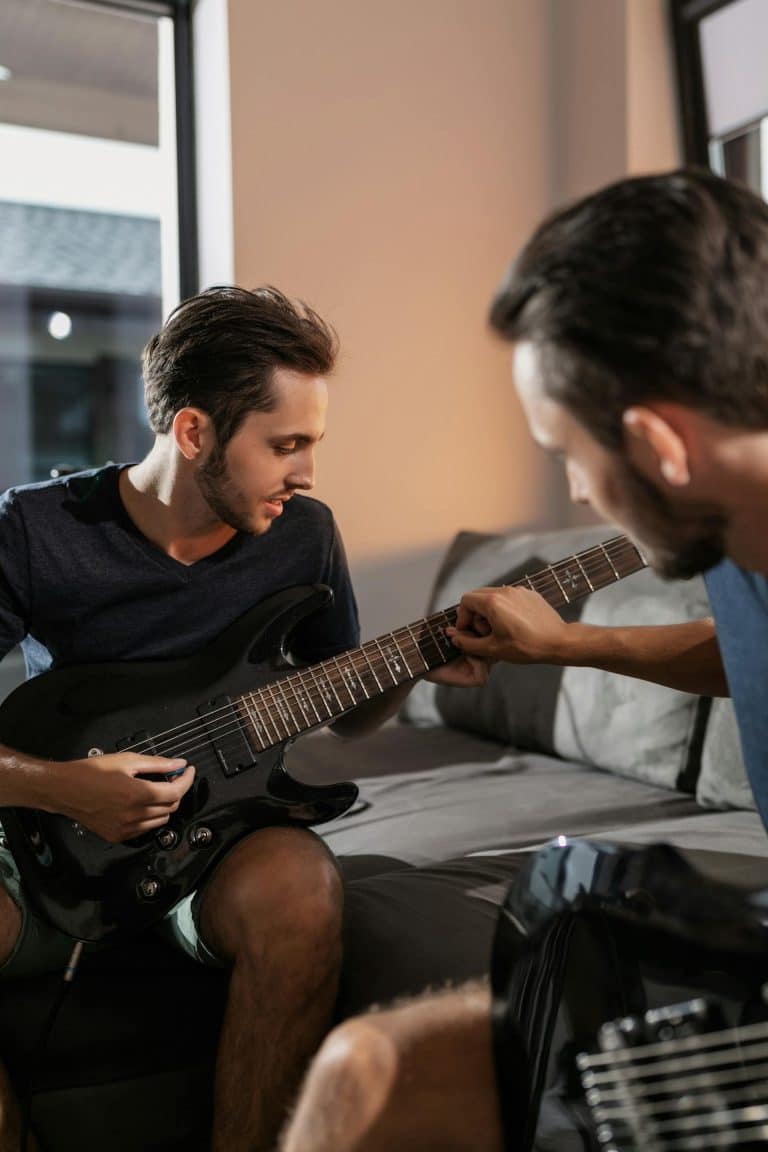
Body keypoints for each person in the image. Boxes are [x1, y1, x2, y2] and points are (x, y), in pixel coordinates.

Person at [277, 167, 768, 1152]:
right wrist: (564, 643)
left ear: (660, 445)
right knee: (366, 1076)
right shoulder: (738, 531)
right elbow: (745, 656)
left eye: (569, 455)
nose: (581, 496)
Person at [0, 284, 484, 1152]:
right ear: (194, 433)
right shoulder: (36, 529)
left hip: (217, 844)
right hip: (47, 845)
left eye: (313, 444)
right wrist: (66, 789)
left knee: (302, 886)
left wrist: (418, 664)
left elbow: (346, 705)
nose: (306, 473)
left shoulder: (303, 534)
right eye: (286, 444)